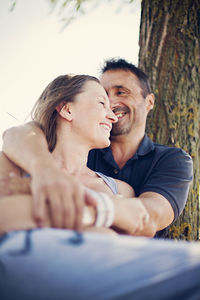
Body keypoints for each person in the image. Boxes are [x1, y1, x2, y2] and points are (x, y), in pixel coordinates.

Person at [2, 59, 193, 238]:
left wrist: (87, 207)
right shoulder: (25, 156)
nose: (112, 110)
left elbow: (144, 220)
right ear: (67, 110)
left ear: (149, 102)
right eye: (104, 100)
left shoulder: (169, 162)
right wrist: (46, 172)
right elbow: (21, 133)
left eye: (121, 92)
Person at [0, 73, 149, 236]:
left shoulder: (120, 190)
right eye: (101, 103)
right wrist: (108, 211)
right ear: (67, 109)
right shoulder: (12, 165)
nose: (113, 117)